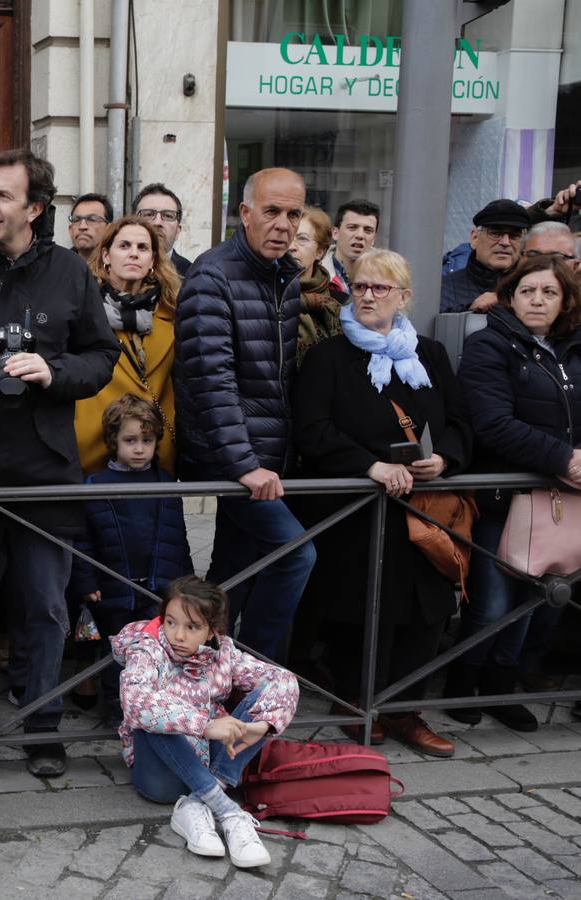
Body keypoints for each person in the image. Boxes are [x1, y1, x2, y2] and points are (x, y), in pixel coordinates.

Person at [0, 147, 118, 776]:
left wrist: (52, 369)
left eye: (2, 196)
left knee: (44, 607)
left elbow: (102, 356)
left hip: (45, 471)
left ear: (34, 209)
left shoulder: (70, 272)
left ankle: (43, 727)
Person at [294, 249, 472, 757]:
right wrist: (368, 466)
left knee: (427, 608)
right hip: (356, 507)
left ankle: (404, 710)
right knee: (363, 607)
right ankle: (357, 702)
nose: (368, 295)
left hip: (420, 507)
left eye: (381, 289)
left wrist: (446, 462)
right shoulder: (328, 356)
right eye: (361, 286)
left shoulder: (429, 356)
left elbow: (461, 422)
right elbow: (312, 429)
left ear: (404, 297)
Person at [174, 166, 315, 663]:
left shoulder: (285, 277)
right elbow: (211, 380)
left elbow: (278, 379)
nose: (283, 223)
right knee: (297, 553)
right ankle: (257, 672)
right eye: (272, 211)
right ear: (245, 213)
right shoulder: (211, 277)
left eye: (294, 213)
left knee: (236, 571)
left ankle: (208, 668)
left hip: (264, 458)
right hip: (231, 460)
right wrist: (243, 463)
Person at [446, 255, 581, 732]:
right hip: (504, 496)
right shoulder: (490, 346)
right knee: (493, 604)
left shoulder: (572, 349)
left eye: (549, 292)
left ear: (564, 300)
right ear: (510, 296)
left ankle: (502, 684)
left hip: (562, 502)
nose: (538, 300)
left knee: (538, 596)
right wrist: (564, 458)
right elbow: (493, 423)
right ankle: (463, 682)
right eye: (528, 291)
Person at [111, 576, 297, 868]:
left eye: (192, 627)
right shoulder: (147, 649)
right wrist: (204, 725)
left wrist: (259, 728)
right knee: (153, 713)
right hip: (162, 775)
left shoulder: (224, 652)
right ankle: (225, 809)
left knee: (275, 691)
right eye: (170, 622)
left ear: (212, 630)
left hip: (208, 760)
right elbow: (136, 700)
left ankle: (197, 803)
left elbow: (282, 681)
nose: (178, 635)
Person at [70, 397, 191, 714]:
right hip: (112, 587)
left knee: (153, 650)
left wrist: (186, 582)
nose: (139, 449)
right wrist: (86, 580)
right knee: (117, 653)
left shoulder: (164, 481)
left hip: (156, 586)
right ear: (113, 441)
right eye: (130, 440)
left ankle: (148, 708)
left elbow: (176, 535)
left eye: (147, 441)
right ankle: (115, 707)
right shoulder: (96, 484)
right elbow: (83, 539)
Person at [74, 214, 182, 473]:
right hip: (93, 451)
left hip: (154, 455)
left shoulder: (174, 312)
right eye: (124, 246)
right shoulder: (82, 311)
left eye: (143, 248)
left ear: (153, 261)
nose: (134, 253)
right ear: (106, 256)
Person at [440, 199, 529, 313]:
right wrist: (470, 312)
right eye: (495, 234)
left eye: (514, 235)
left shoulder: (535, 291)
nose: (505, 242)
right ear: (475, 238)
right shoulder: (442, 290)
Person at [291, 206, 342, 365]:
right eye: (288, 238)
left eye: (302, 239)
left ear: (320, 251)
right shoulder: (262, 296)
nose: (291, 247)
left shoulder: (338, 303)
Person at [322, 198, 380, 298]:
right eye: (352, 227)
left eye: (368, 230)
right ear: (335, 233)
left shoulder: (387, 277)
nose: (360, 235)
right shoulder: (313, 273)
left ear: (374, 238)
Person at [132, 184, 193, 277]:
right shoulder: (114, 270)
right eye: (148, 214)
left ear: (178, 231)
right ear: (131, 224)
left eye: (168, 216)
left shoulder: (191, 274)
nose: (157, 222)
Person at [68, 192, 113, 263]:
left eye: (92, 219)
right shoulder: (58, 267)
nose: (82, 226)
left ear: (109, 229)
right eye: (77, 220)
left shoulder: (118, 269)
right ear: (70, 229)